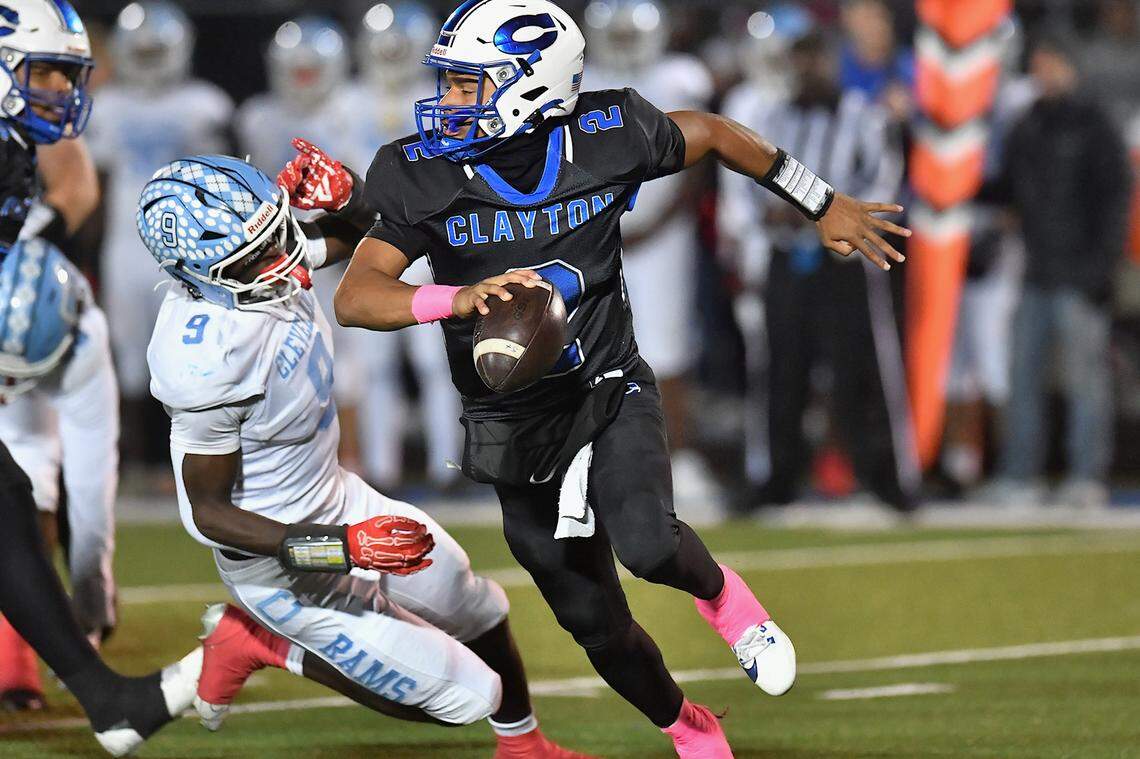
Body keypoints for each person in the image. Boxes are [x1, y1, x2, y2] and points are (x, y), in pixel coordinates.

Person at [331, 1, 909, 754]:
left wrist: (820, 199)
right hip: (511, 422)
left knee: (648, 542)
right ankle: (686, 723)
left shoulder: (607, 133)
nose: (450, 99)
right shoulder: (421, 172)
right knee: (593, 623)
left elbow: (711, 131)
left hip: (605, 384)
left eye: (471, 84)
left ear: (532, 86)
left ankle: (725, 596)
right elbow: (356, 293)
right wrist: (453, 297)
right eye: (451, 82)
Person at [137, 153, 591, 759]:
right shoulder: (203, 358)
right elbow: (209, 516)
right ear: (201, 274)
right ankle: (264, 643)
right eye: (258, 251)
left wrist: (348, 195)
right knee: (469, 698)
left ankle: (525, 748)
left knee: (477, 604)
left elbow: (373, 241)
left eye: (275, 227)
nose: (283, 255)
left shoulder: (256, 259)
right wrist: (341, 548)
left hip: (341, 497)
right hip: (281, 564)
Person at [0, 2, 200, 753]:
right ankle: (104, 694)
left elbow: (71, 186)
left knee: (9, 498)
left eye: (65, 72)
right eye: (42, 70)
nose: (58, 87)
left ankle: (104, 694)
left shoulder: (20, 142)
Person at [721, 29, 916, 513]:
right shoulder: (773, 117)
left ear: (829, 62)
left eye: (814, 61)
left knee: (865, 370)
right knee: (780, 372)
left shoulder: (862, 117)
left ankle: (888, 478)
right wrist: (782, 217)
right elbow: (750, 182)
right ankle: (774, 478)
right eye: (799, 63)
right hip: (787, 258)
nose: (807, 73)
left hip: (844, 262)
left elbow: (883, 180)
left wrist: (833, 218)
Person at [983, 33, 1131, 510]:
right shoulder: (1029, 123)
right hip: (1035, 270)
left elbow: (1115, 202)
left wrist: (1100, 268)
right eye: (1038, 66)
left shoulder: (1095, 125)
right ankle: (1020, 474)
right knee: (1022, 375)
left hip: (1079, 272)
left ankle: (1087, 475)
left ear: (1070, 67)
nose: (1042, 75)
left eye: (1050, 65)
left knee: (1085, 380)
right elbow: (1007, 188)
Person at [85, 0, 232, 470]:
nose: (148, 60)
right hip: (126, 244)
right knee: (127, 354)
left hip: (188, 246)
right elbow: (99, 183)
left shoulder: (203, 103)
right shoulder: (107, 105)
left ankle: (187, 459)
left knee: (190, 354)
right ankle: (132, 459)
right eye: (140, 52)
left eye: (155, 51)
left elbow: (223, 183)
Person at [582, 0, 719, 505]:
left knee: (668, 350)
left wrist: (660, 223)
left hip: (663, 238)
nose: (621, 44)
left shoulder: (679, 76)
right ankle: (593, 467)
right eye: (612, 35)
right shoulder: (580, 79)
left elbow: (700, 161)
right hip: (591, 239)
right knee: (586, 353)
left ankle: (679, 460)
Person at [329, 2, 464, 491]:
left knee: (437, 362)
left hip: (428, 239)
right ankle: (381, 471)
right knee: (372, 368)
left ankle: (449, 468)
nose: (390, 56)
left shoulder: (442, 94)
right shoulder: (346, 99)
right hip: (372, 240)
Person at [0, 238, 119, 706]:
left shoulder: (83, 339)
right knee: (16, 488)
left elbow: (91, 487)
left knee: (51, 494)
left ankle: (33, 644)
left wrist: (92, 596)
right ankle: (14, 653)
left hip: (57, 347)